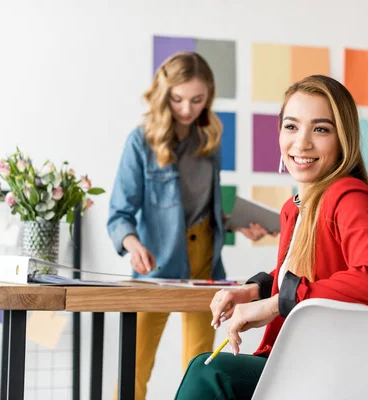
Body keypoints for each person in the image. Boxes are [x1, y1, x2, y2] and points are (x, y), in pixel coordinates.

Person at [174, 74, 368, 399]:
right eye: (291, 127)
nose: (301, 143)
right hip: (298, 358)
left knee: (210, 373)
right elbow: (311, 272)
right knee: (206, 368)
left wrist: (277, 303)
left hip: (332, 368)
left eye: (321, 129)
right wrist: (256, 290)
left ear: (343, 138)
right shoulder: (296, 206)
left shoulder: (349, 197)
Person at [107, 51, 272, 400]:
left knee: (199, 362)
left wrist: (236, 225)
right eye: (178, 99)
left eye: (197, 100)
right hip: (157, 263)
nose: (187, 109)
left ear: (208, 96)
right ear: (164, 94)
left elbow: (203, 210)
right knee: (135, 364)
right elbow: (119, 213)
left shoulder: (209, 139)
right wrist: (132, 245)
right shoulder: (142, 142)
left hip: (206, 264)